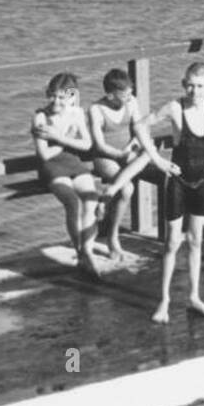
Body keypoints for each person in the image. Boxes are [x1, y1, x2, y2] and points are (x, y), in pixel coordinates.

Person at [121, 62, 204, 323]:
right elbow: (140, 126)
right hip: (178, 181)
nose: (194, 91)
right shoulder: (174, 107)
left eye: (200, 86)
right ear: (183, 84)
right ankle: (164, 300)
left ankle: (194, 296)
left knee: (195, 241)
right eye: (190, 85)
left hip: (203, 181)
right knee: (171, 243)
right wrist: (157, 159)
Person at [32, 72, 101, 278]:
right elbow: (44, 154)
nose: (56, 101)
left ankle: (87, 251)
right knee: (73, 202)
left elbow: (87, 144)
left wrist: (58, 137)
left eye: (62, 97)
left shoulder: (76, 113)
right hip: (52, 167)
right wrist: (64, 140)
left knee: (91, 200)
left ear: (71, 97)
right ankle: (80, 251)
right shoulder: (41, 117)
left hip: (73, 163)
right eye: (53, 96)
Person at [87, 68, 143, 262]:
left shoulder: (132, 102)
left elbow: (138, 131)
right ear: (110, 95)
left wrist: (131, 148)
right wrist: (120, 154)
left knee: (151, 156)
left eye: (130, 94)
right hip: (106, 156)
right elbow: (99, 145)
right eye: (124, 96)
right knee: (127, 189)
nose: (129, 98)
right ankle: (113, 238)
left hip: (127, 152)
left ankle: (106, 198)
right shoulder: (96, 109)